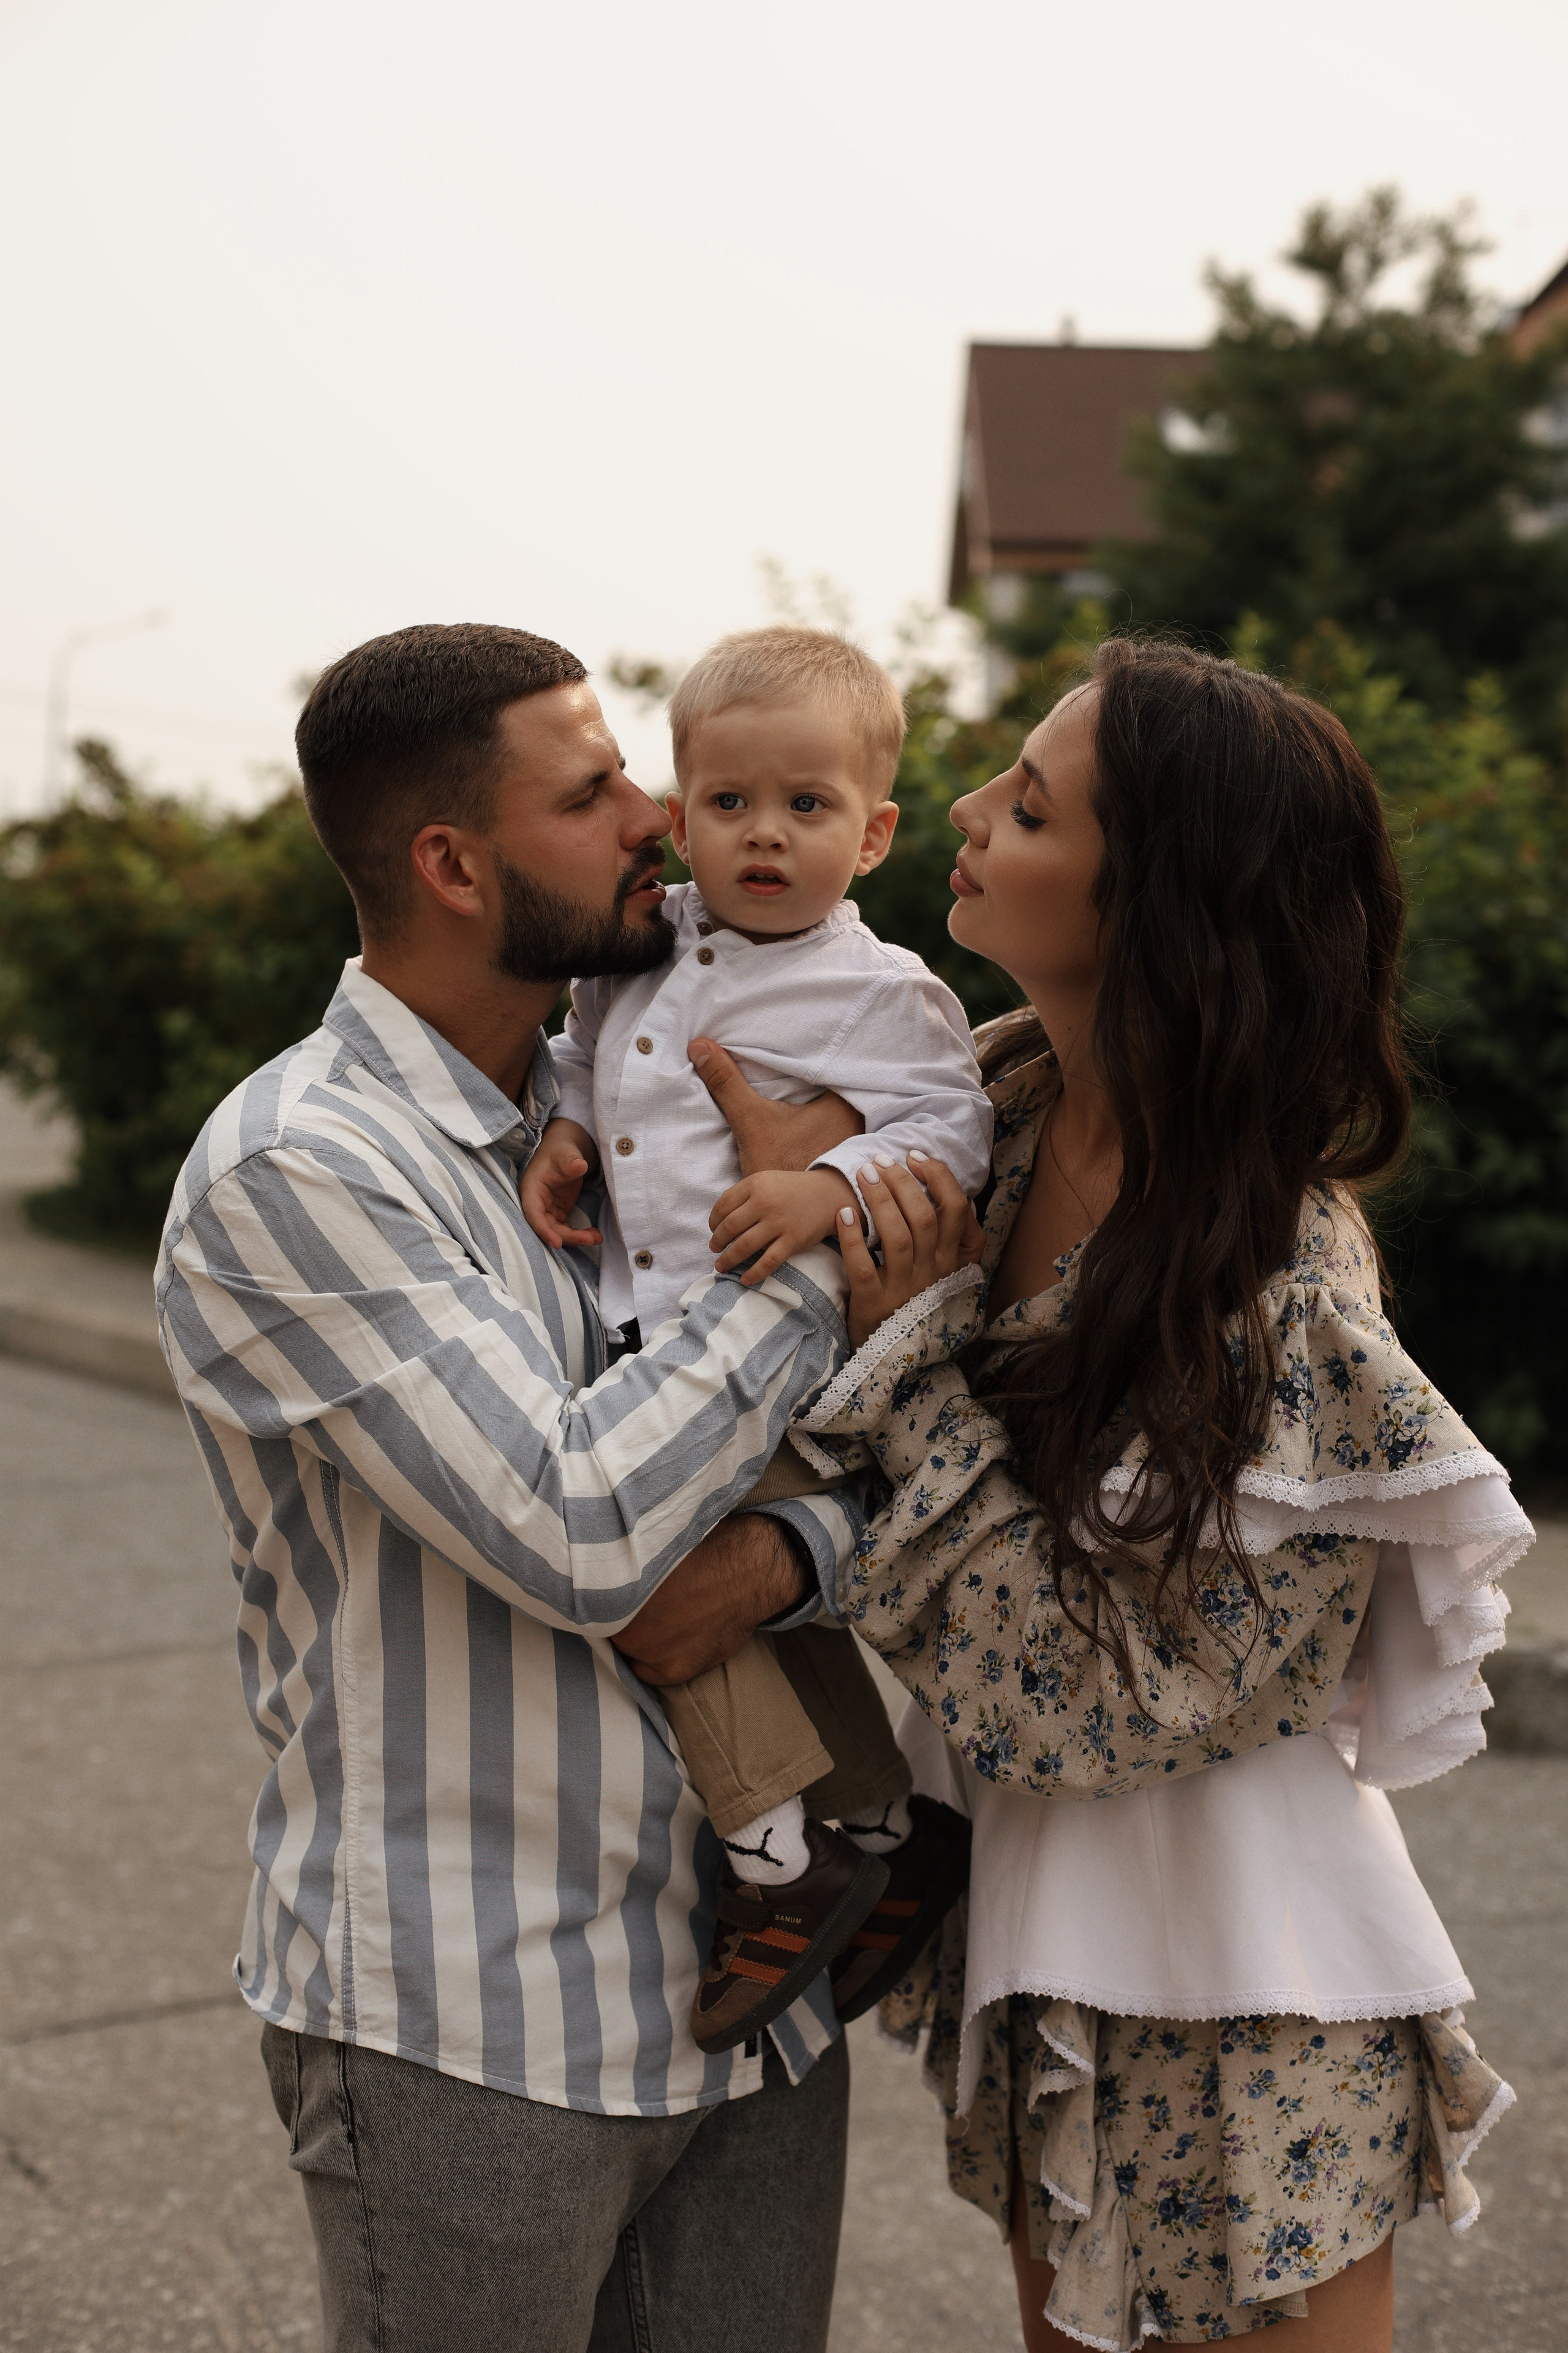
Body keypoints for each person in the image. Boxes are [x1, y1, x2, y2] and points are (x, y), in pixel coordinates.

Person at [153, 621, 935, 2353]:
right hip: (477, 2023)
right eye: (591, 793)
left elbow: (900, 1449)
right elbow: (586, 1527)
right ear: (452, 862)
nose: (660, 812)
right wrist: (803, 1253)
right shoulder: (304, 1170)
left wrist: (796, 1550)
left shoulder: (629, 1101)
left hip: (756, 1996)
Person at [762, 639, 1531, 2348]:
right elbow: (738, 1166)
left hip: (1246, 1984)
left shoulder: (1280, 1284)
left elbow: (1087, 1698)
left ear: (1160, 900)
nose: (961, 813)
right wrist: (601, 1146)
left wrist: (911, 1363)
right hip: (1048, 1930)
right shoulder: (994, 1107)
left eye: (1027, 806)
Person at [520, 626, 987, 2055]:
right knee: (724, 1598)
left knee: (660, 1589)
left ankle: (781, 1862)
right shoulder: (635, 959)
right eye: (729, 804)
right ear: (678, 813)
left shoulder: (878, 990)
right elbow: (588, 1067)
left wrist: (826, 1182)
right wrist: (562, 1133)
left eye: (806, 806)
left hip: (769, 1362)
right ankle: (889, 1830)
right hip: (648, 1349)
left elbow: (952, 1132)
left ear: (875, 831)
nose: (765, 835)